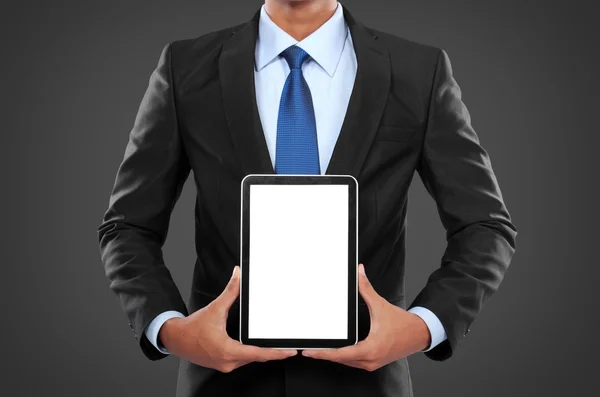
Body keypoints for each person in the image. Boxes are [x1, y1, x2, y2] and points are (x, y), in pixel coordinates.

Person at [97, 1, 517, 396]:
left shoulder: (418, 70)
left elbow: (485, 226)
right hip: (221, 384)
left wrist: (422, 326)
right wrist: (170, 329)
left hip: (367, 384)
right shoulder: (185, 67)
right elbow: (128, 226)